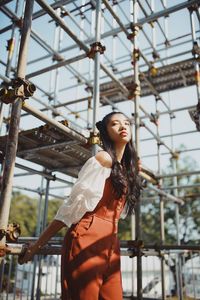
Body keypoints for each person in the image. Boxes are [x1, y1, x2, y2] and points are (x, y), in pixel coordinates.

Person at [18, 112, 141, 300]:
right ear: (106, 133)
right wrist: (36, 246)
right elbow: (70, 209)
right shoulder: (103, 160)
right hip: (86, 237)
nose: (123, 126)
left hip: (111, 242)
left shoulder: (126, 168)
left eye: (126, 123)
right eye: (115, 124)